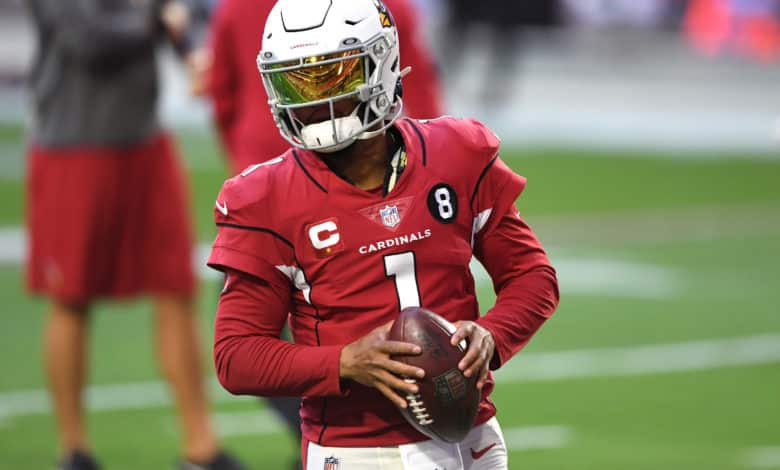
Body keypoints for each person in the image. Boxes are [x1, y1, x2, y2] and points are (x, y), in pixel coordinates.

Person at [207, 0, 560, 469]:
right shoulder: (266, 196)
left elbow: (533, 274)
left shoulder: (456, 153)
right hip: (357, 451)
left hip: (474, 439)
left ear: (381, 64)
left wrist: (493, 335)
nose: (313, 102)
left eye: (333, 77)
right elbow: (236, 355)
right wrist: (344, 362)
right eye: (296, 81)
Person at [25, 1, 247, 469]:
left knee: (175, 286)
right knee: (70, 296)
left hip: (145, 142)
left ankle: (200, 445)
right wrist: (157, 20)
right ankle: (74, 448)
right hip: (72, 148)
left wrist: (185, 39)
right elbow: (88, 41)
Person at [206, 0, 444, 174]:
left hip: (264, 147)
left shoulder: (234, 6)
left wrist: (239, 153)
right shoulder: (381, 6)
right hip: (359, 146)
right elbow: (419, 87)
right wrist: (429, 153)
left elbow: (221, 93)